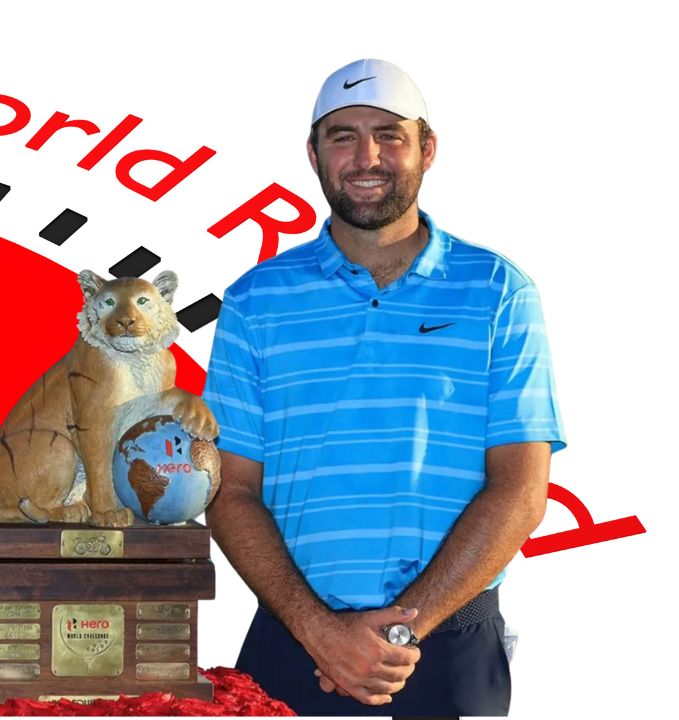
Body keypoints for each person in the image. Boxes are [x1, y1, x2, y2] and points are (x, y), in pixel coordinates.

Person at [203, 59, 565, 716]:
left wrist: (391, 637)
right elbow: (229, 491)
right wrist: (323, 634)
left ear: (427, 149)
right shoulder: (256, 302)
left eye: (389, 134)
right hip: (293, 644)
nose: (367, 156)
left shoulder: (497, 293)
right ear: (314, 155)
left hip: (447, 649)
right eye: (343, 136)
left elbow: (520, 490)